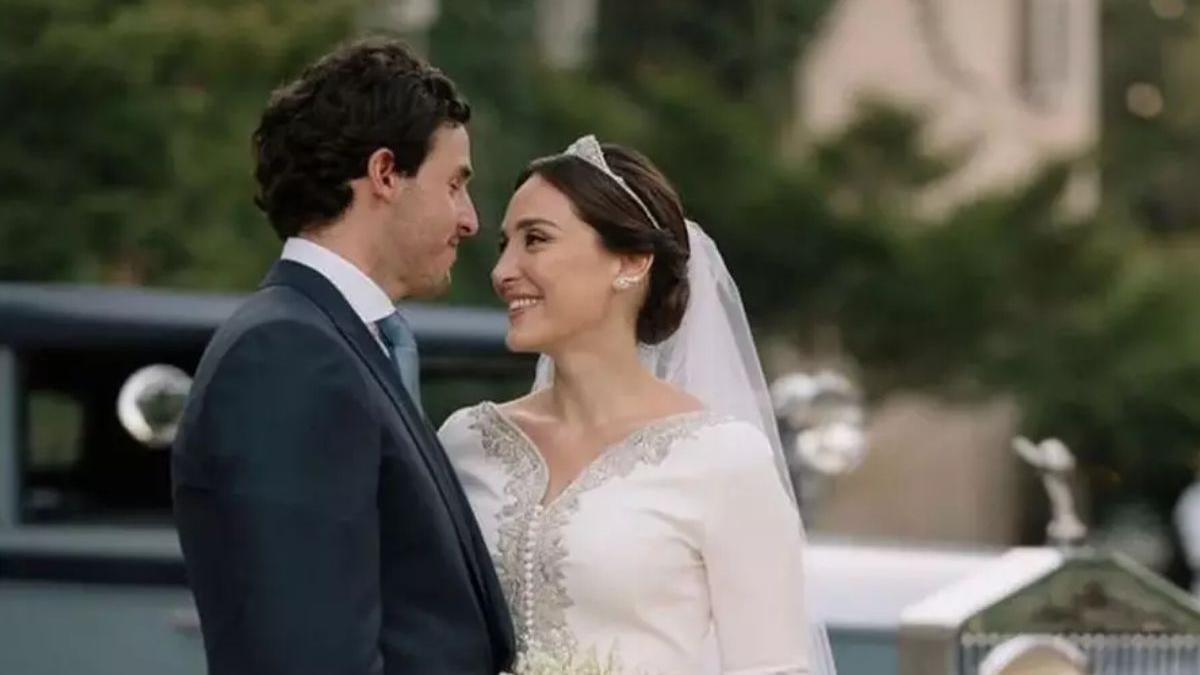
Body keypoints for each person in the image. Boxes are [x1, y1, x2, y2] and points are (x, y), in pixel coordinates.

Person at [172, 37, 514, 675]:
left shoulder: (335, 342)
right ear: (385, 173)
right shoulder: (288, 357)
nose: (470, 220)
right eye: (455, 184)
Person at [439, 135, 835, 674]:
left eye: (535, 240)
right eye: (505, 244)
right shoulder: (465, 441)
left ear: (629, 262)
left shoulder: (723, 460)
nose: (503, 271)